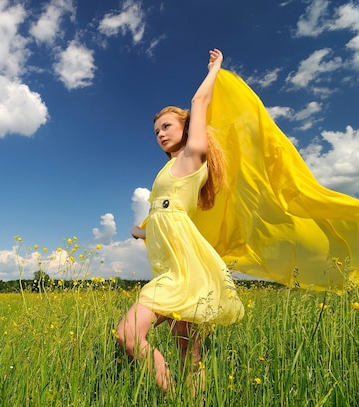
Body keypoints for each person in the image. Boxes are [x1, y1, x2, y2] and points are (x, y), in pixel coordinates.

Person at [115, 49, 245, 395]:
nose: (159, 133)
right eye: (156, 130)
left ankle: (172, 393)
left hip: (186, 270)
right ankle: (182, 398)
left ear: (188, 129)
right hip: (169, 270)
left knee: (131, 334)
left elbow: (198, 102)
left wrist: (214, 69)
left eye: (167, 126)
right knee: (187, 350)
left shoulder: (192, 156)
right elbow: (164, 214)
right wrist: (140, 230)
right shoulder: (166, 170)